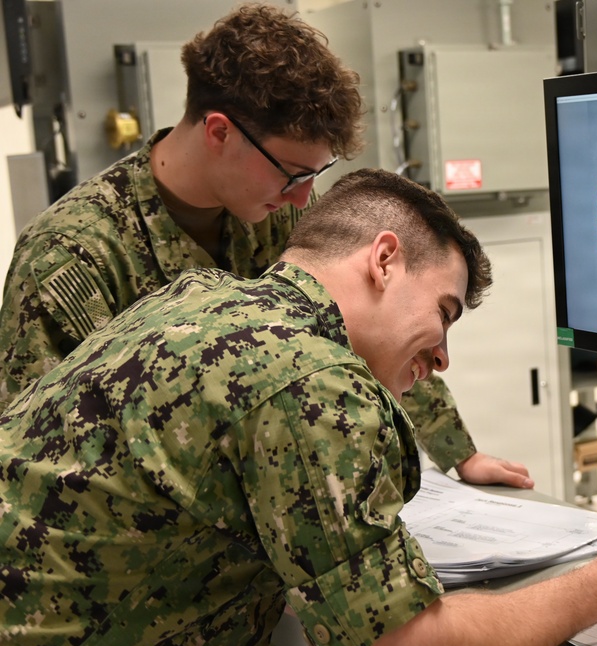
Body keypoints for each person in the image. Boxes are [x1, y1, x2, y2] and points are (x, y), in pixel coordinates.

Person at [0, 168, 597, 646]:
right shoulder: (313, 378)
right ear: (384, 259)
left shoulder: (200, 297)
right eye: (444, 314)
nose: (443, 358)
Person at [0, 3, 531, 490]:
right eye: (292, 173)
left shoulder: (278, 211)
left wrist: (460, 453)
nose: (305, 194)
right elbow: (35, 459)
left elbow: (379, 327)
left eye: (315, 175)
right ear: (218, 132)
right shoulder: (70, 254)